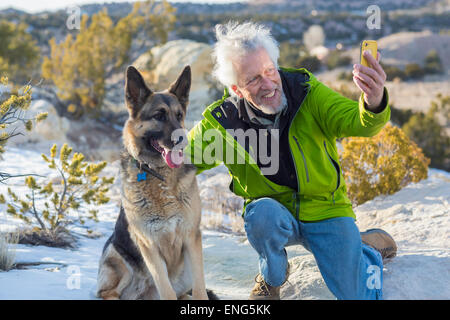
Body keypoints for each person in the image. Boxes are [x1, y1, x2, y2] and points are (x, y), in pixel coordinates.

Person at [186, 21, 397, 300]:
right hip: (274, 217)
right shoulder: (223, 123)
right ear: (236, 89)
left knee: (357, 294)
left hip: (326, 209)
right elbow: (180, 158)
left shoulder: (307, 92)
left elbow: (359, 122)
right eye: (253, 79)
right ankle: (272, 277)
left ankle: (365, 248)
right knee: (261, 215)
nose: (268, 84)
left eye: (269, 71)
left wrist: (373, 99)